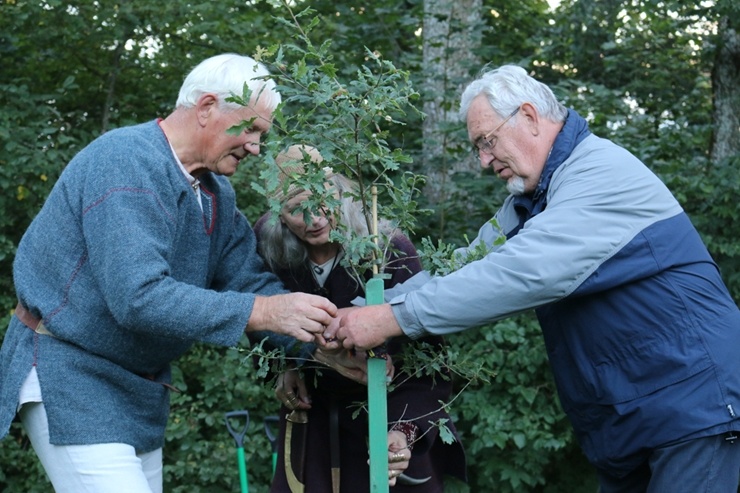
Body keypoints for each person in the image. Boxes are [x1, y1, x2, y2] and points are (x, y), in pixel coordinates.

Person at [323, 65, 740, 492]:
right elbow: (464, 265)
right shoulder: (535, 198)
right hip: (634, 418)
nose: (485, 160)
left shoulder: (599, 175)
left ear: (529, 116)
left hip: (694, 409)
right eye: (478, 148)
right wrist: (351, 318)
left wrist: (391, 319)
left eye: (487, 141)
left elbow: (521, 272)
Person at [0, 53, 342, 493]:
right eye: (251, 129)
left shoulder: (215, 194)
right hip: (70, 374)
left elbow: (249, 281)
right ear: (206, 108)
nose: (257, 147)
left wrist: (317, 346)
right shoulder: (126, 162)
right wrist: (263, 312)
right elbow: (138, 297)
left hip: (138, 389)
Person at [251, 145, 467, 492]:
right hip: (314, 422)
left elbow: (428, 360)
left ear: (339, 190)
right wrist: (285, 363)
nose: (315, 219)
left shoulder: (387, 249)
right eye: (296, 210)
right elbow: (259, 313)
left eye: (323, 200)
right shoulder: (268, 245)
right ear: (278, 213)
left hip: (386, 418)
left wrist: (402, 430)